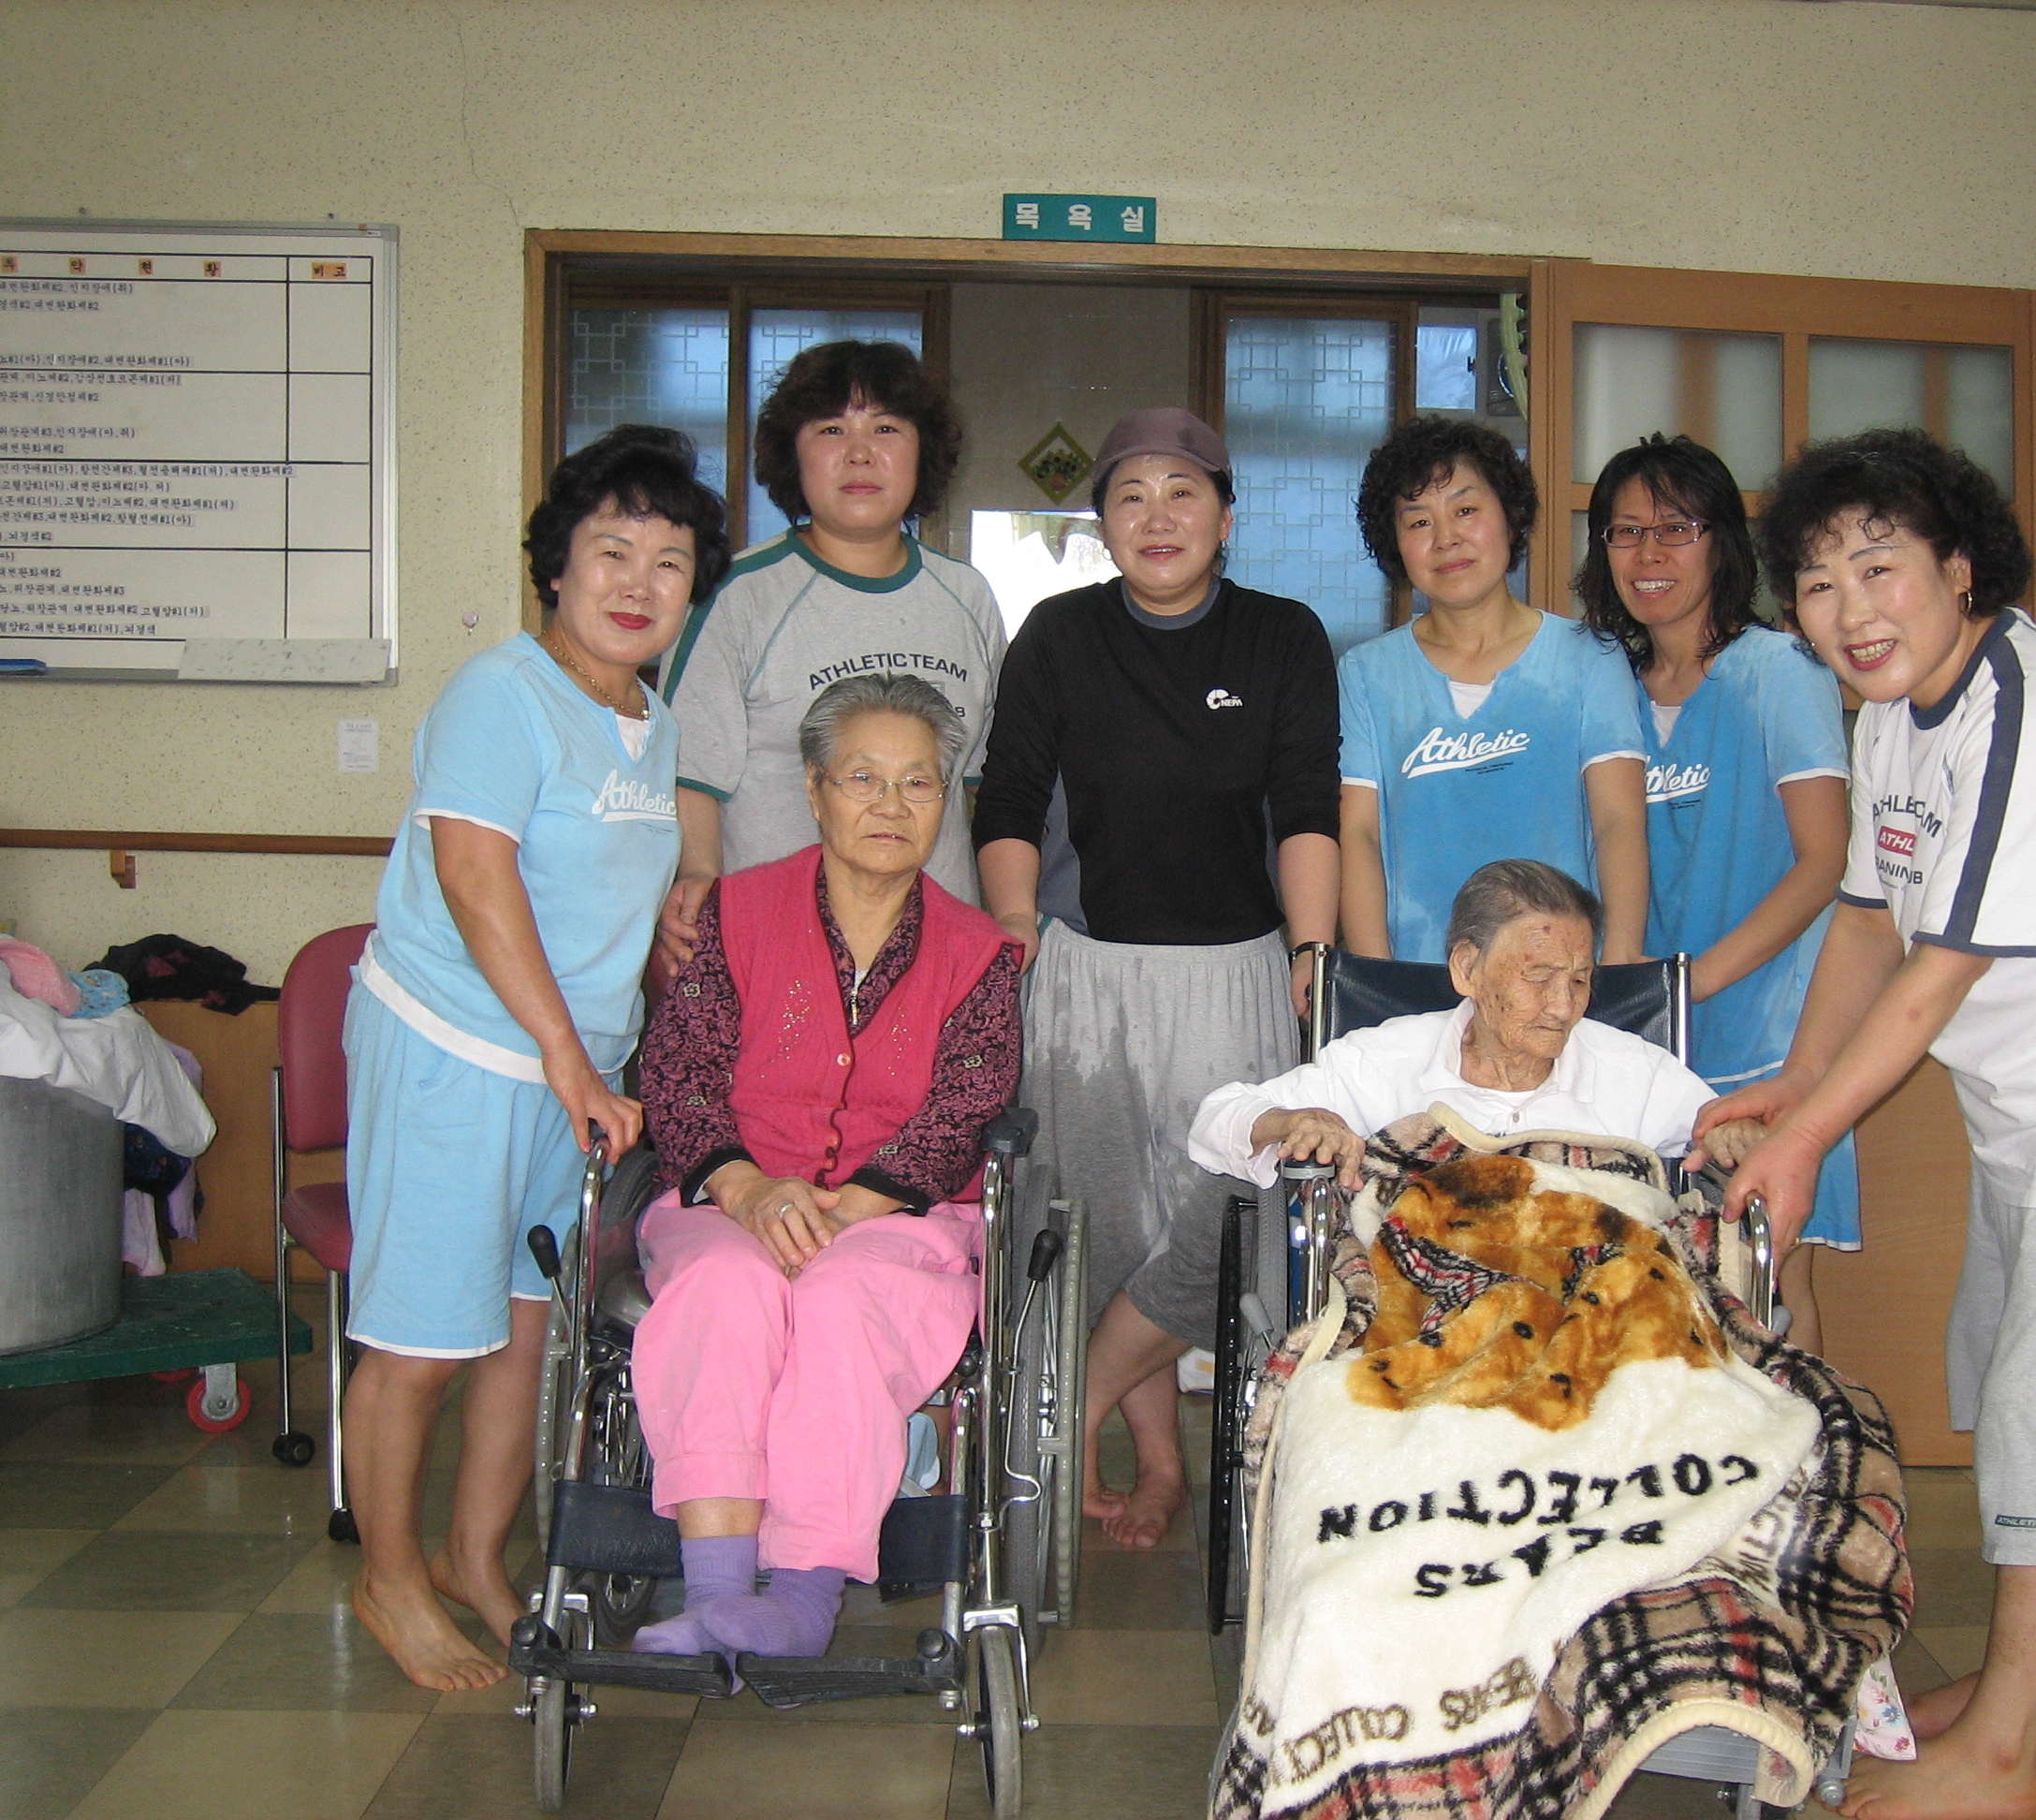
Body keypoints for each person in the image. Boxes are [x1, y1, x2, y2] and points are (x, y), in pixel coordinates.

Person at [1695, 428, 2036, 1820]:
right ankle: (2029, 1690)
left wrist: (1808, 1140)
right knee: (2016, 1399)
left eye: (1880, 568)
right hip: (2033, 1122)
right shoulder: (1893, 714)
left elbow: (1940, 975)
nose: (1851, 611)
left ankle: (2005, 1758)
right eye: (1818, 584)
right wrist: (1798, 1084)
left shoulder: (2031, 717)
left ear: (1959, 567)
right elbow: (1868, 921)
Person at [342, 425, 728, 1691]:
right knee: (420, 1341)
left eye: (669, 563)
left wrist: (661, 945)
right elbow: (475, 876)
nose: (637, 583)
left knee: (523, 1338)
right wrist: (567, 1059)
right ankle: (389, 1581)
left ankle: (473, 1561)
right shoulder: (500, 695)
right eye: (610, 552)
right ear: (554, 567)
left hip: (578, 1077)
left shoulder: (651, 720)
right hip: (457, 1053)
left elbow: (606, 889)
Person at [974, 407, 1340, 1548]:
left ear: (1226, 517)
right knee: (1097, 1218)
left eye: (1184, 492)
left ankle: (1075, 1400)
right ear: (1103, 525)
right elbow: (1008, 798)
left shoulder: (1282, 636)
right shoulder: (1058, 635)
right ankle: (1161, 1461)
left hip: (1238, 973)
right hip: (1085, 975)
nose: (1158, 516)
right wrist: (1016, 928)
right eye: (1130, 496)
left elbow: (1307, 808)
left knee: (1228, 1213)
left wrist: (1311, 951)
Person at [629, 673, 1020, 1660]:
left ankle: (802, 1600)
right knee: (725, 1286)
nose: (892, 804)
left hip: (901, 1221)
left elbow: (967, 1107)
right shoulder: (734, 915)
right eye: (862, 778)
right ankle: (715, 1591)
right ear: (813, 790)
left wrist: (844, 1211)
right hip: (731, 1199)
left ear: (946, 801)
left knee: (843, 1299)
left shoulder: (980, 952)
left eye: (919, 783)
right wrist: (749, 1189)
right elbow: (678, 1073)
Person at [1575, 433, 1857, 1352]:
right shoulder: (1606, 686)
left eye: (1676, 528)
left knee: (1769, 1276)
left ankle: (1804, 1444)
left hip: (1765, 1032)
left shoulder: (1782, 670)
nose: (1648, 554)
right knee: (1653, 1282)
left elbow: (1825, 861)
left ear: (1722, 542)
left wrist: (1690, 983)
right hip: (1644, 1036)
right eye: (1626, 532)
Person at [655, 340, 1003, 972]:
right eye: (832, 429)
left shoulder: (967, 596)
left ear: (923, 451)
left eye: (887, 429)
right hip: (776, 950)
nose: (860, 453)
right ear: (794, 453)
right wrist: (699, 884)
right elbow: (689, 773)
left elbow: (983, 784)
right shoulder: (736, 596)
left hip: (934, 959)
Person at [1192, 860, 1718, 1193]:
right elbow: (1217, 1118)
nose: (1563, 1007)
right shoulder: (1384, 1061)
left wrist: (1737, 1133)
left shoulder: (1633, 1070)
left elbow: (1717, 1130)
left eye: (1580, 980)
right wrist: (1293, 1121)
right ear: (1467, 968)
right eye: (1538, 977)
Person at [1338, 416, 1649, 965]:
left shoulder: (1589, 658)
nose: (1446, 539)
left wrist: (1618, 967)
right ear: (1395, 543)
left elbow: (1618, 823)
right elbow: (1359, 836)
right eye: (1419, 521)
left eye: (1465, 510)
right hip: (1422, 978)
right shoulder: (1367, 674)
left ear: (1510, 515)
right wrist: (1379, 983)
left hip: (1561, 979)